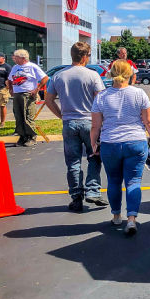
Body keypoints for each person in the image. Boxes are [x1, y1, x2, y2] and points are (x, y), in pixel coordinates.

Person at [91, 60, 150, 235]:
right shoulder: (139, 93)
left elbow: (95, 126)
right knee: (133, 181)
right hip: (135, 141)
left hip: (110, 143)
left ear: (111, 74)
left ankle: (116, 216)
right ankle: (132, 219)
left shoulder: (101, 97)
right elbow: (148, 121)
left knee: (113, 181)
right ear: (131, 74)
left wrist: (93, 144)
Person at [45, 42, 107, 212]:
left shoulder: (58, 75)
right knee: (94, 156)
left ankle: (76, 196)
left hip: (69, 123)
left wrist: (61, 115)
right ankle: (93, 190)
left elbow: (48, 99)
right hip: (90, 122)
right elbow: (100, 100)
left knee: (73, 162)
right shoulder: (92, 75)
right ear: (85, 56)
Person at [7, 49, 48, 147]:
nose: (14, 59)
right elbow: (9, 79)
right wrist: (11, 89)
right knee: (18, 115)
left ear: (22, 58)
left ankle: (31, 137)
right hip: (17, 94)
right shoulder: (15, 67)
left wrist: (36, 89)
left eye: (16, 57)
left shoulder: (32, 67)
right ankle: (22, 136)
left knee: (28, 115)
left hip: (28, 94)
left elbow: (45, 78)